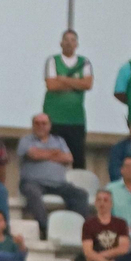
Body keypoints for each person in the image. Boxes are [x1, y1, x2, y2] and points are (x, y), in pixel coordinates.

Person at [15, 112, 88, 238]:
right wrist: (55, 153)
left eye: (44, 123)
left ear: (49, 126)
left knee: (81, 195)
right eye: (37, 123)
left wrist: (42, 154)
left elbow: (69, 158)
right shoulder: (26, 140)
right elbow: (33, 155)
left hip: (59, 184)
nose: (40, 126)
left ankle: (75, 229)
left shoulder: (59, 140)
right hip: (33, 183)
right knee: (33, 193)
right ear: (32, 125)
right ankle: (45, 228)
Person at [41, 29, 93, 168]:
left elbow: (87, 84)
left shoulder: (84, 62)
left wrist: (63, 79)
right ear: (60, 43)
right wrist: (77, 84)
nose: (69, 43)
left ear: (77, 44)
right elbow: (51, 85)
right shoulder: (52, 61)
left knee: (78, 158)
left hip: (76, 119)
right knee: (52, 157)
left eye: (72, 40)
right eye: (66, 40)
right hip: (54, 118)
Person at [78, 188, 131, 261]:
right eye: (99, 200)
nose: (102, 203)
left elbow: (123, 248)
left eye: (105, 200)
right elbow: (88, 252)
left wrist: (100, 255)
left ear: (111, 204)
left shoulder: (120, 223)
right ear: (95, 203)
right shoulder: (88, 224)